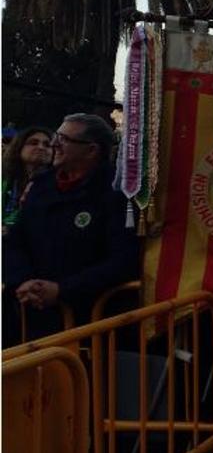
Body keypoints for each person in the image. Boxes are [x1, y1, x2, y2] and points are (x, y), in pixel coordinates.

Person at [3, 113, 139, 341]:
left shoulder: (117, 193)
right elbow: (15, 240)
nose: (54, 144)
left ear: (91, 150)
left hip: (84, 324)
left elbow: (123, 260)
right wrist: (22, 280)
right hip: (26, 314)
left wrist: (61, 290)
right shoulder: (42, 185)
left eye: (64, 139)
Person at [2, 126, 53, 232]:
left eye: (47, 145)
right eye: (33, 143)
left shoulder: (55, 184)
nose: (41, 147)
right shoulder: (5, 179)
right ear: (19, 148)